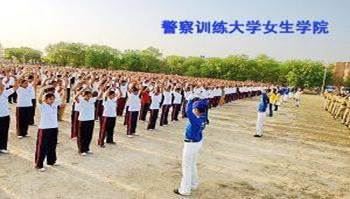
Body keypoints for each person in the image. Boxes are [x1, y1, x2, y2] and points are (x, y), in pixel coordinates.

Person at [174, 97, 208, 197]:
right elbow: (204, 106)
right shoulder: (203, 117)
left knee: (186, 167)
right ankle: (194, 184)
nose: (193, 110)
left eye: (194, 108)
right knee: (192, 164)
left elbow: (187, 112)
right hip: (197, 142)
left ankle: (184, 190)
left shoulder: (196, 120)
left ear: (197, 110)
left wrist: (189, 101)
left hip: (191, 144)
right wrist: (199, 100)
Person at [34, 89, 59, 172]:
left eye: (53, 99)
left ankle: (51, 161)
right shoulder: (42, 105)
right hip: (44, 128)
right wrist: (42, 90)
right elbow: (39, 99)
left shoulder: (54, 105)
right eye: (50, 99)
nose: (52, 100)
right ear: (46, 99)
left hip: (54, 127)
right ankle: (39, 164)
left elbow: (63, 99)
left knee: (52, 145)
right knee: (42, 147)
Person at [75, 89, 97, 156]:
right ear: (84, 95)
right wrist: (82, 90)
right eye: (87, 96)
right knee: (82, 136)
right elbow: (75, 97)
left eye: (90, 96)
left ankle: (87, 148)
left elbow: (100, 94)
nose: (89, 97)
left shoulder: (91, 100)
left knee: (89, 135)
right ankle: (81, 150)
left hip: (90, 120)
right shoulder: (81, 100)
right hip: (83, 120)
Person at [0, 79, 18, 153]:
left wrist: (18, 78)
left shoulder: (5, 93)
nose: (3, 87)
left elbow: (15, 87)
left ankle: (3, 147)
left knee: (4, 132)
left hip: (5, 116)